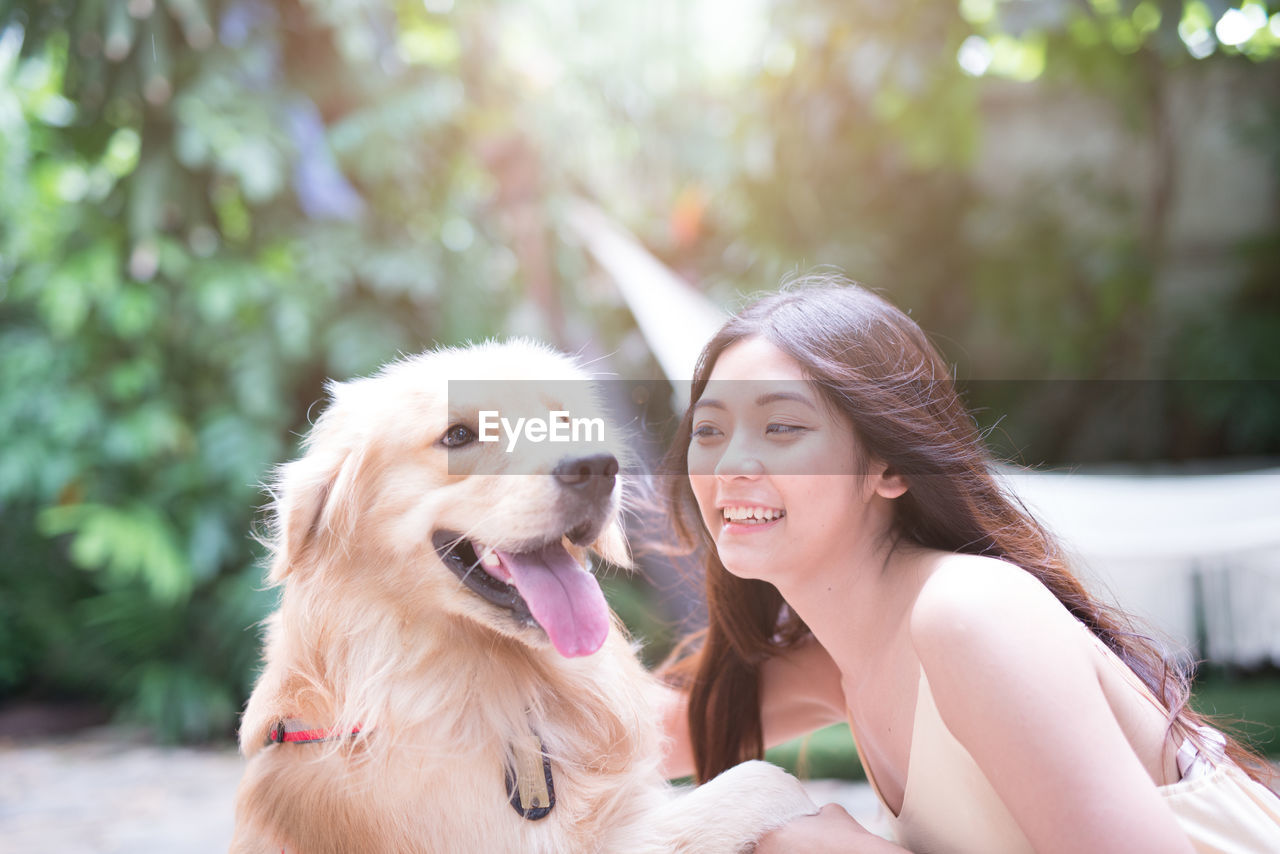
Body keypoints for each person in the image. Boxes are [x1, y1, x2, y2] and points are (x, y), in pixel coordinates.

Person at [656, 278, 1280, 853]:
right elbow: (618, 743)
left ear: (891, 467)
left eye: (783, 426)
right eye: (708, 430)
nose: (728, 463)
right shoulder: (844, 659)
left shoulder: (971, 614)